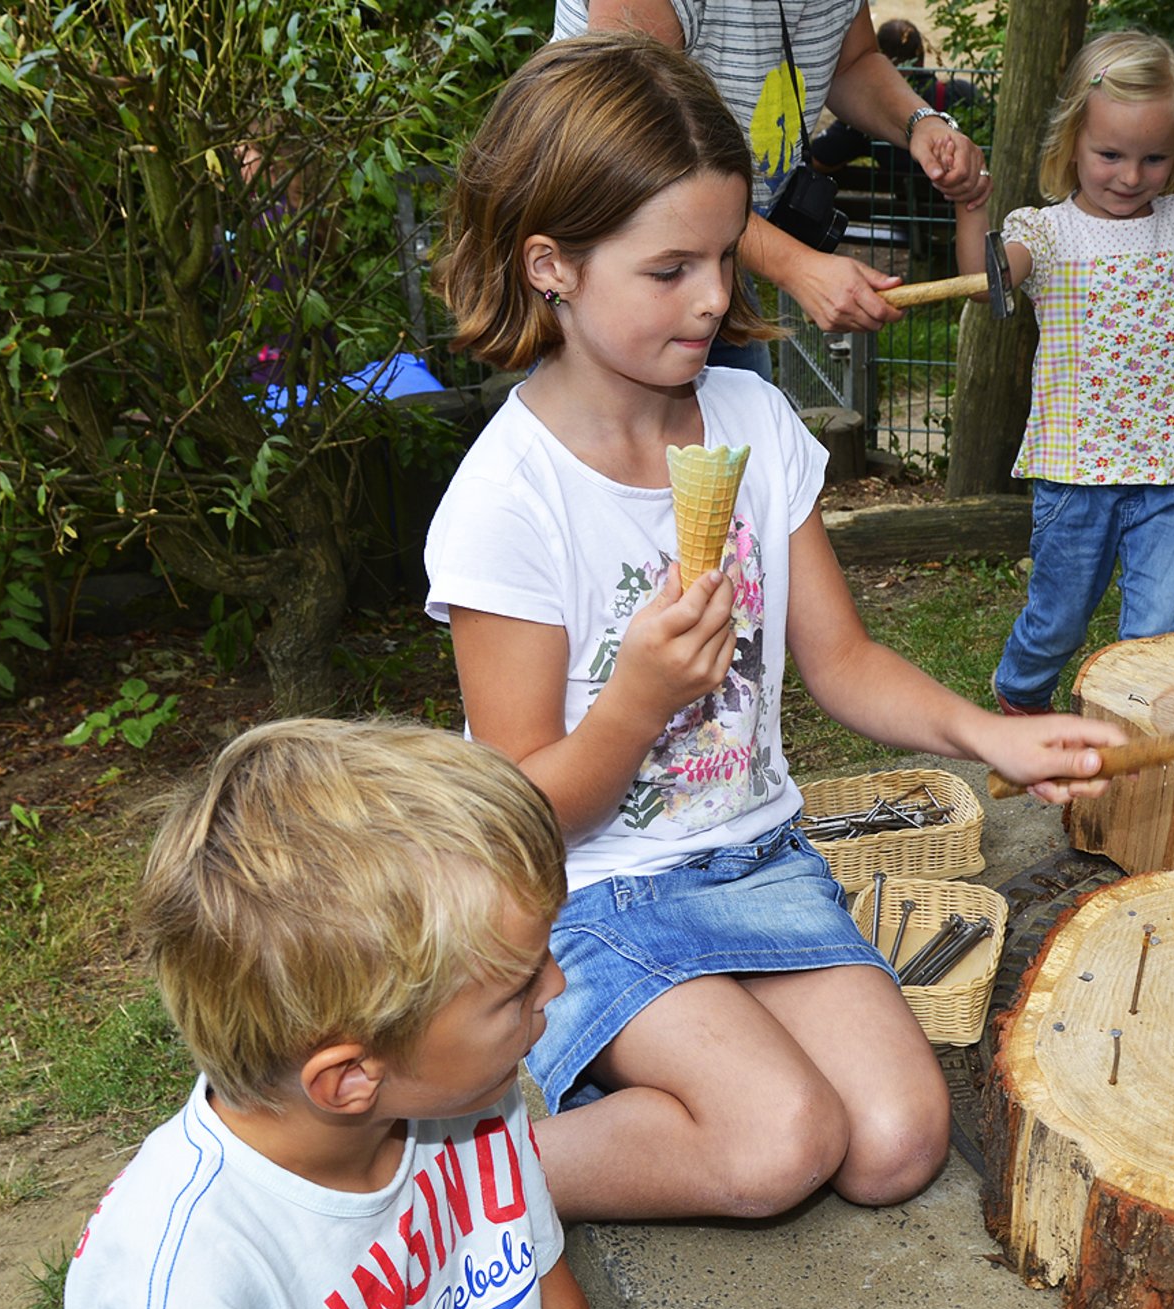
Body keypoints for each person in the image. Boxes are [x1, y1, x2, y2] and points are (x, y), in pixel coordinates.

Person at [422, 32, 1128, 1223]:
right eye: (667, 270)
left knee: (895, 1143)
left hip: (757, 857)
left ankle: (686, 1077)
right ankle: (452, 1182)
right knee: (781, 1139)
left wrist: (985, 733)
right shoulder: (508, 500)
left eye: (720, 254)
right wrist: (638, 700)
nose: (712, 297)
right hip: (595, 893)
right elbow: (517, 818)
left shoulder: (749, 419)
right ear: (552, 267)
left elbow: (841, 661)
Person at [63, 719, 599, 1309]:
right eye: (517, 988)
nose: (556, 985)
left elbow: (544, 1283)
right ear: (349, 1078)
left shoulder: (470, 1092)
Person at [957, 30, 1174, 717]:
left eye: (1153, 158)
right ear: (1072, 142)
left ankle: (1127, 741)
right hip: (1077, 472)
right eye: (1110, 155)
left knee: (1158, 637)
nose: (1131, 176)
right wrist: (971, 210)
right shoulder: (1047, 232)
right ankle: (1021, 694)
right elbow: (985, 287)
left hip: (1172, 471)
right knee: (1059, 621)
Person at [554, 0, 992, 367]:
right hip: (611, 264)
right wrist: (798, 266)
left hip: (716, 254)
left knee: (738, 429)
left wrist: (920, 123)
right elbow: (630, 144)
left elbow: (852, 62)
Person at [809, 17, 984, 182]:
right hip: (954, 199)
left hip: (905, 200)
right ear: (921, 57)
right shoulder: (961, 93)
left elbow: (818, 160)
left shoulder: (871, 109)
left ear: (880, 58)